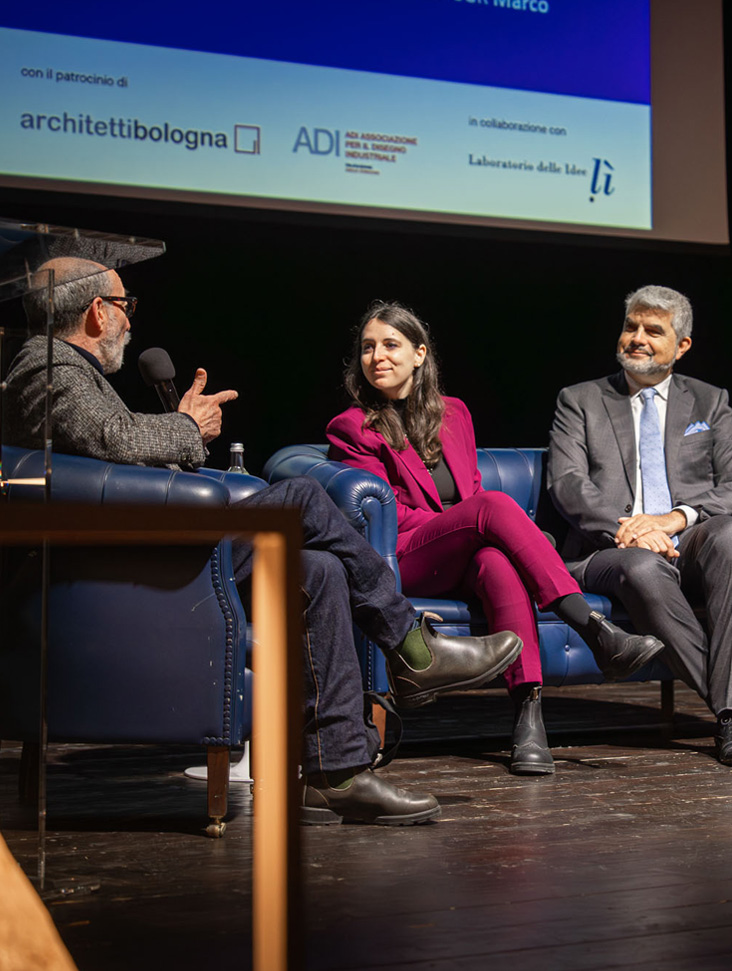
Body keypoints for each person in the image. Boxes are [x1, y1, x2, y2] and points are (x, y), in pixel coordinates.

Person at [6, 257, 525, 825]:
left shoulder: (70, 373)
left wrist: (179, 431)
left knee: (318, 571)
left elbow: (110, 450)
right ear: (98, 312)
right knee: (301, 496)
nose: (132, 322)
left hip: (152, 546)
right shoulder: (48, 367)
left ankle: (337, 774)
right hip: (131, 559)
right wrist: (188, 427)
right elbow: (114, 440)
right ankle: (411, 647)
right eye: (127, 306)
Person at [325, 302, 664, 776]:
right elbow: (387, 517)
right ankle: (595, 631)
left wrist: (470, 524)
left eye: (390, 344)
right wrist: (460, 521)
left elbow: (471, 493)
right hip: (406, 554)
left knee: (497, 563)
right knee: (495, 510)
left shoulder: (455, 415)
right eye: (367, 347)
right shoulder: (353, 428)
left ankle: (529, 720)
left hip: (461, 552)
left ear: (420, 354)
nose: (377, 356)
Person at [546, 284, 732, 767]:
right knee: (642, 566)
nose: (636, 338)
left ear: (681, 345)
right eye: (630, 326)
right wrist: (633, 528)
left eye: (653, 331)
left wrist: (674, 518)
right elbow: (570, 484)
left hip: (686, 542)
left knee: (729, 534)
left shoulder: (709, 403)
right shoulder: (579, 400)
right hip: (611, 548)